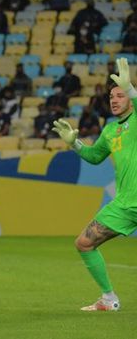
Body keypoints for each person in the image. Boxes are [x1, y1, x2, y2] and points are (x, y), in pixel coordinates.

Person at [51, 57, 137, 312]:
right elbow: (94, 157)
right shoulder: (110, 131)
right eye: (112, 96)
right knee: (84, 243)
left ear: (130, 99)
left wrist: (131, 88)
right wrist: (74, 143)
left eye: (120, 95)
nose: (114, 99)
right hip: (125, 204)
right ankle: (109, 299)